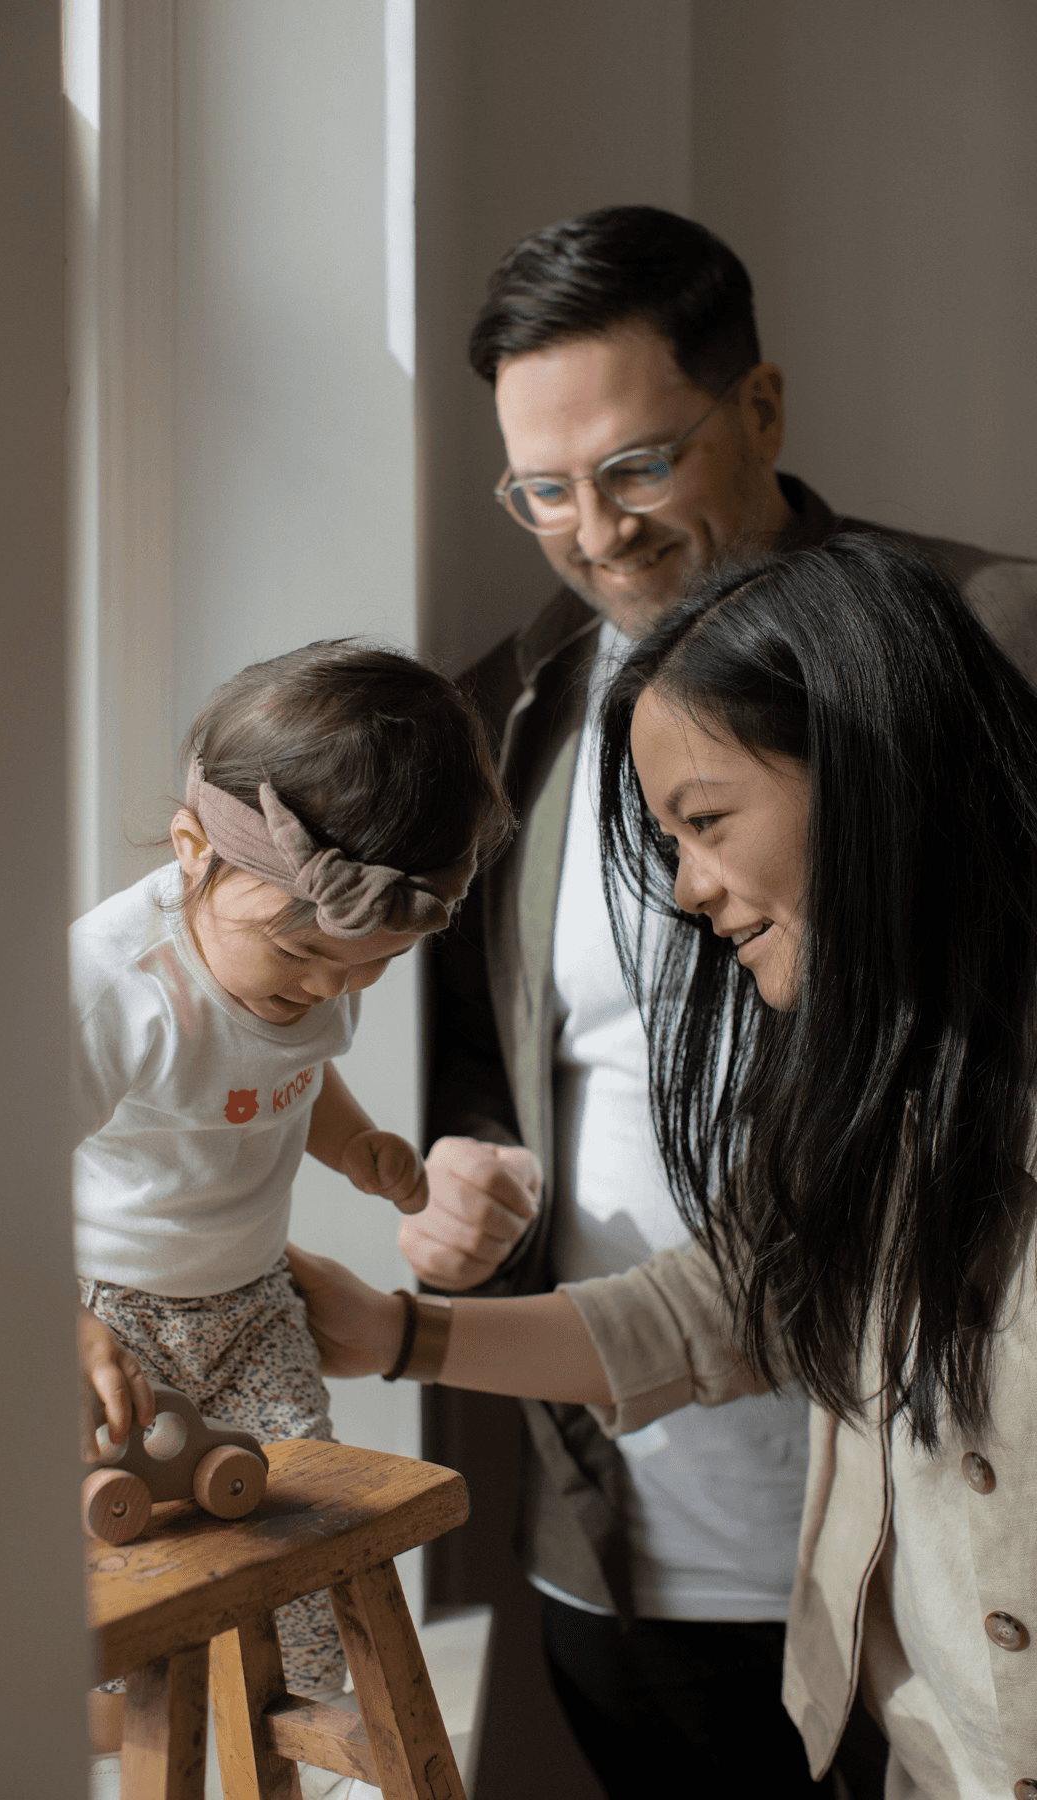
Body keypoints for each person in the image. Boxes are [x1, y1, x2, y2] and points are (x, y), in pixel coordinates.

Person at [406, 205, 1037, 1795]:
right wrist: (453, 1193)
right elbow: (508, 1069)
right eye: (542, 489)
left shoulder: (987, 640)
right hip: (644, 1508)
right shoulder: (517, 710)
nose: (593, 531)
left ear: (759, 407)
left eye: (635, 467)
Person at [291, 534, 1037, 1800]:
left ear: (875, 770)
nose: (687, 889)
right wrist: (398, 1336)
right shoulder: (877, 1085)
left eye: (705, 823)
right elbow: (712, 1309)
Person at [72, 640, 512, 1763]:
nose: (332, 989)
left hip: (256, 1300)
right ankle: (111, 1731)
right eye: (307, 955)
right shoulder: (119, 994)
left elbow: (294, 1069)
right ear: (190, 849)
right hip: (112, 1315)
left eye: (372, 968)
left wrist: (355, 1142)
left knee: (300, 1522)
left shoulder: (316, 964)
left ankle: (321, 1746)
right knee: (136, 1557)